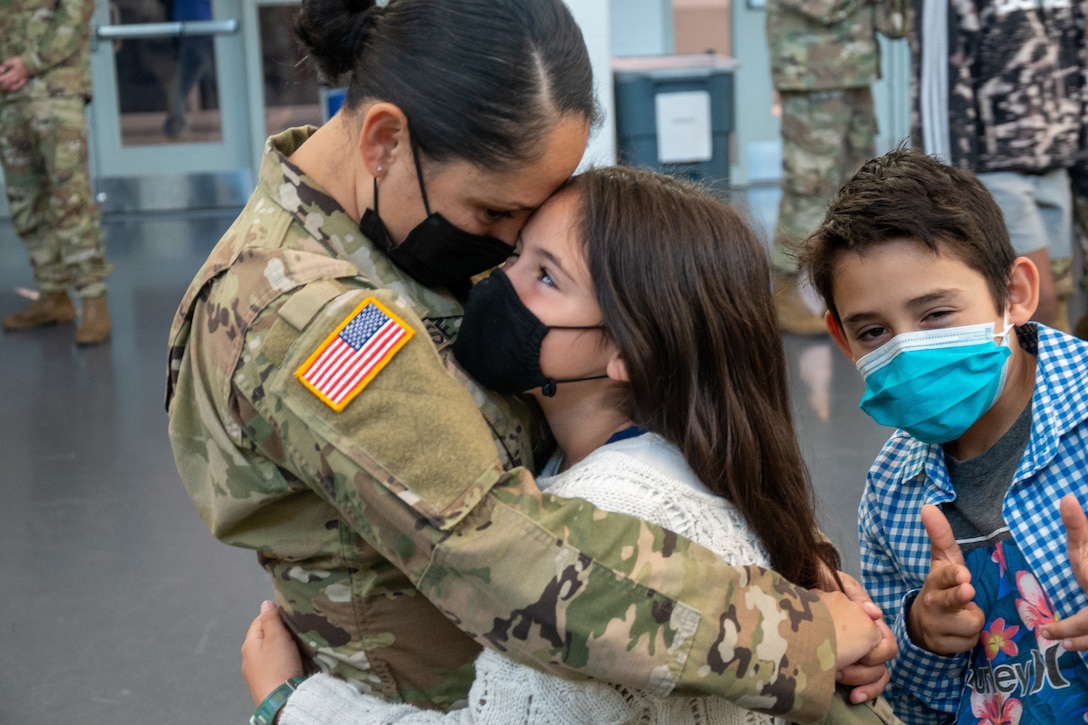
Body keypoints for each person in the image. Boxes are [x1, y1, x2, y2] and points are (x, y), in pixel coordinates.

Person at [166, 0, 890, 719]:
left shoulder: (411, 212)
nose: (507, 252)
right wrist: (793, 633)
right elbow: (494, 544)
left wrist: (802, 567)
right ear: (384, 142)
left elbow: (678, 392)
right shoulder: (301, 315)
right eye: (496, 217)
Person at [240, 166, 901, 725]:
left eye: (546, 277)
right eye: (516, 254)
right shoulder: (689, 457)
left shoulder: (609, 508)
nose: (499, 285)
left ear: (627, 351)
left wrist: (292, 701)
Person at [798, 147, 1088, 723]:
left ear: (1015, 295)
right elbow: (910, 703)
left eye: (934, 315)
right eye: (874, 330)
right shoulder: (889, 492)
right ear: (841, 339)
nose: (907, 349)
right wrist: (918, 632)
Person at [911, 0, 1088, 331]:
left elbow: (1079, 63)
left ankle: (1045, 383)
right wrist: (944, 193)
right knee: (1035, 305)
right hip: (992, 174)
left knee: (1057, 304)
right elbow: (937, 91)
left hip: (1056, 167)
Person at [764, 0, 908, 336]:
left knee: (860, 181)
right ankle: (783, 291)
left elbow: (894, 25)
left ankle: (854, 281)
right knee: (810, 183)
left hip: (854, 69)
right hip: (814, 73)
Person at [0, 0, 113, 345]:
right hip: (9, 98)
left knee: (70, 200)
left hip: (55, 91)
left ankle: (93, 300)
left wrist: (29, 64)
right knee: (24, 202)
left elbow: (76, 10)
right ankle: (52, 296)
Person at [162, 0, 215, 139]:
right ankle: (176, 124)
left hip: (192, 25)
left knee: (188, 77)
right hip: (201, 24)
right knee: (199, 75)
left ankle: (175, 123)